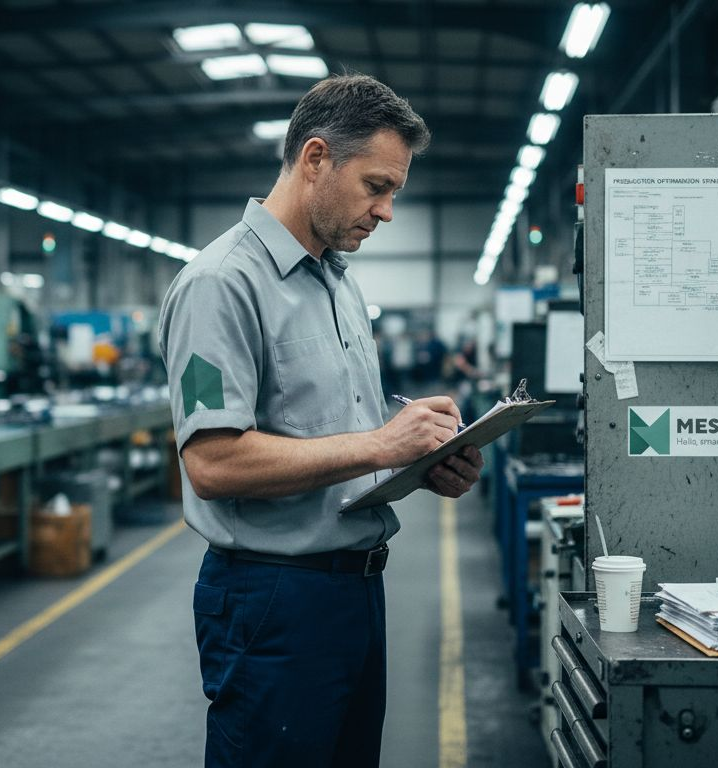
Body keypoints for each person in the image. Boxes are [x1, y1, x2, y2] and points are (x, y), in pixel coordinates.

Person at [159, 74, 484, 768]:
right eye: (376, 186)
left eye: (393, 190)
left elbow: (341, 440)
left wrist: (418, 461)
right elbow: (212, 464)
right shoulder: (222, 285)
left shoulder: (335, 280)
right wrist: (379, 444)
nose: (388, 210)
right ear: (315, 160)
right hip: (273, 601)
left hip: (355, 592)